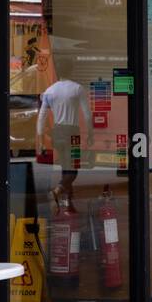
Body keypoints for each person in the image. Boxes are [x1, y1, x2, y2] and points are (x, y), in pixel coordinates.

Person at [37, 64, 92, 206]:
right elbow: (87, 114)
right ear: (71, 70)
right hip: (72, 133)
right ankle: (56, 191)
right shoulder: (77, 89)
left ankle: (68, 199)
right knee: (73, 170)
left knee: (65, 166)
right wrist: (90, 133)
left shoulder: (50, 91)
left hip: (57, 132)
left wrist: (41, 137)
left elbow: (42, 116)